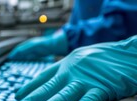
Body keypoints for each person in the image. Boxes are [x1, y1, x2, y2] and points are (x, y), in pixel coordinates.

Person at [8, 0, 137, 60]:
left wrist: (68, 39)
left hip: (114, 59)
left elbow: (125, 21)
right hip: (88, 56)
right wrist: (64, 35)